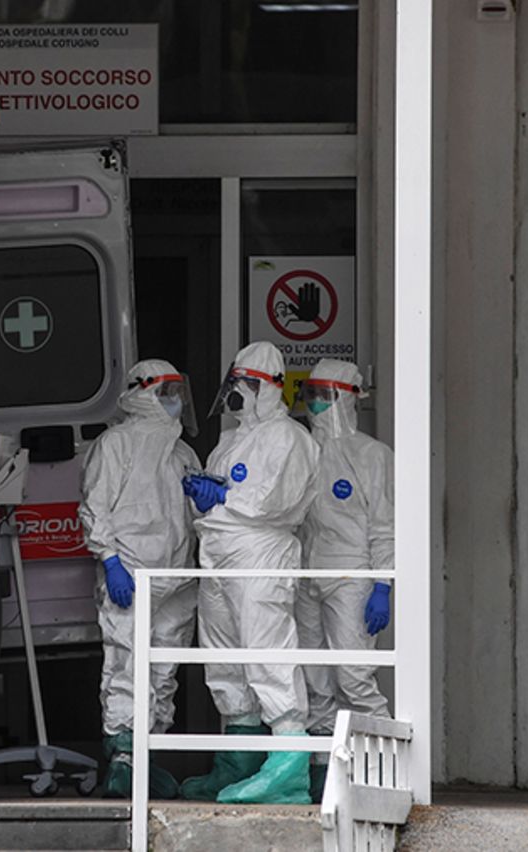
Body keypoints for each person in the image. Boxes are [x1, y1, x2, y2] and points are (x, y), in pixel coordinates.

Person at [179, 341, 319, 804]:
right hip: (218, 554)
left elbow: (271, 501)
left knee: (267, 652)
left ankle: (288, 767)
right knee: (224, 656)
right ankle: (237, 759)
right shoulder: (230, 438)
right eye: (235, 383)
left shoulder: (288, 437)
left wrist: (221, 497)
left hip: (261, 554)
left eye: (247, 384)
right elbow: (226, 491)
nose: (238, 393)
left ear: (269, 387)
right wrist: (205, 491)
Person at [78, 358, 201, 799]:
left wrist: (207, 500)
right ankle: (125, 759)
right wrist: (110, 560)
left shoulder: (182, 451)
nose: (174, 402)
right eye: (166, 392)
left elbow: (192, 515)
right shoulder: (115, 445)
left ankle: (149, 757)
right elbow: (95, 507)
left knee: (164, 669)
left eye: (176, 392)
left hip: (176, 576)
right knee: (127, 664)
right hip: (130, 570)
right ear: (142, 392)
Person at [294, 359, 393, 801]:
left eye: (324, 395)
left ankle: (384, 768)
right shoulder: (301, 450)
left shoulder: (371, 455)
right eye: (310, 394)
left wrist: (383, 584)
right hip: (307, 574)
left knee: (353, 677)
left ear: (348, 398)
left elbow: (386, 524)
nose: (315, 403)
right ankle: (323, 775)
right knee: (315, 682)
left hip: (352, 574)